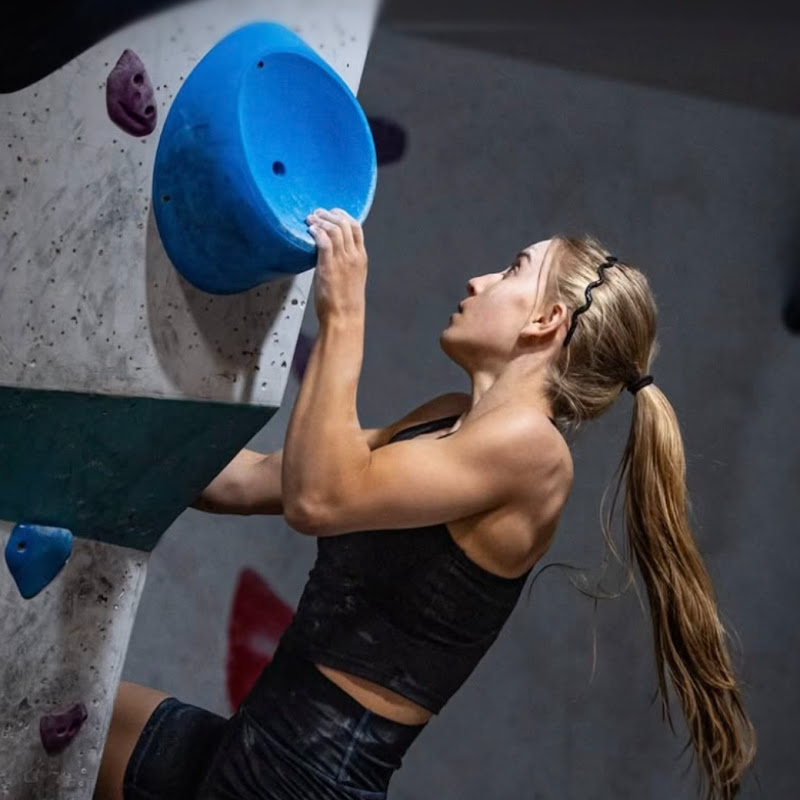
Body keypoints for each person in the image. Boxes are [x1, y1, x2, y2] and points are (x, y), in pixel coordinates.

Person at [95, 209, 756, 800]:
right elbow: (258, 481)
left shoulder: (535, 453)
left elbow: (318, 499)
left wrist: (346, 316)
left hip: (309, 778)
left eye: (513, 269)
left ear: (546, 320)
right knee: (66, 717)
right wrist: (95, 441)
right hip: (259, 742)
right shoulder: (448, 420)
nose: (478, 281)